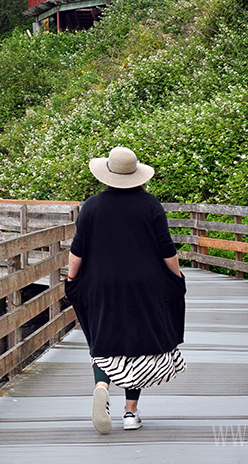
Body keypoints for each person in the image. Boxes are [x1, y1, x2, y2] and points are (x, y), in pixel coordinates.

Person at [64, 146, 186, 434]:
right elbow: (167, 250)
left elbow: (77, 251)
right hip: (145, 286)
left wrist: (71, 279)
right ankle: (130, 414)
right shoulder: (151, 205)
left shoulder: (92, 206)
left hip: (100, 285)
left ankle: (102, 385)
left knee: (102, 336)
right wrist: (176, 277)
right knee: (136, 343)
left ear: (107, 175)